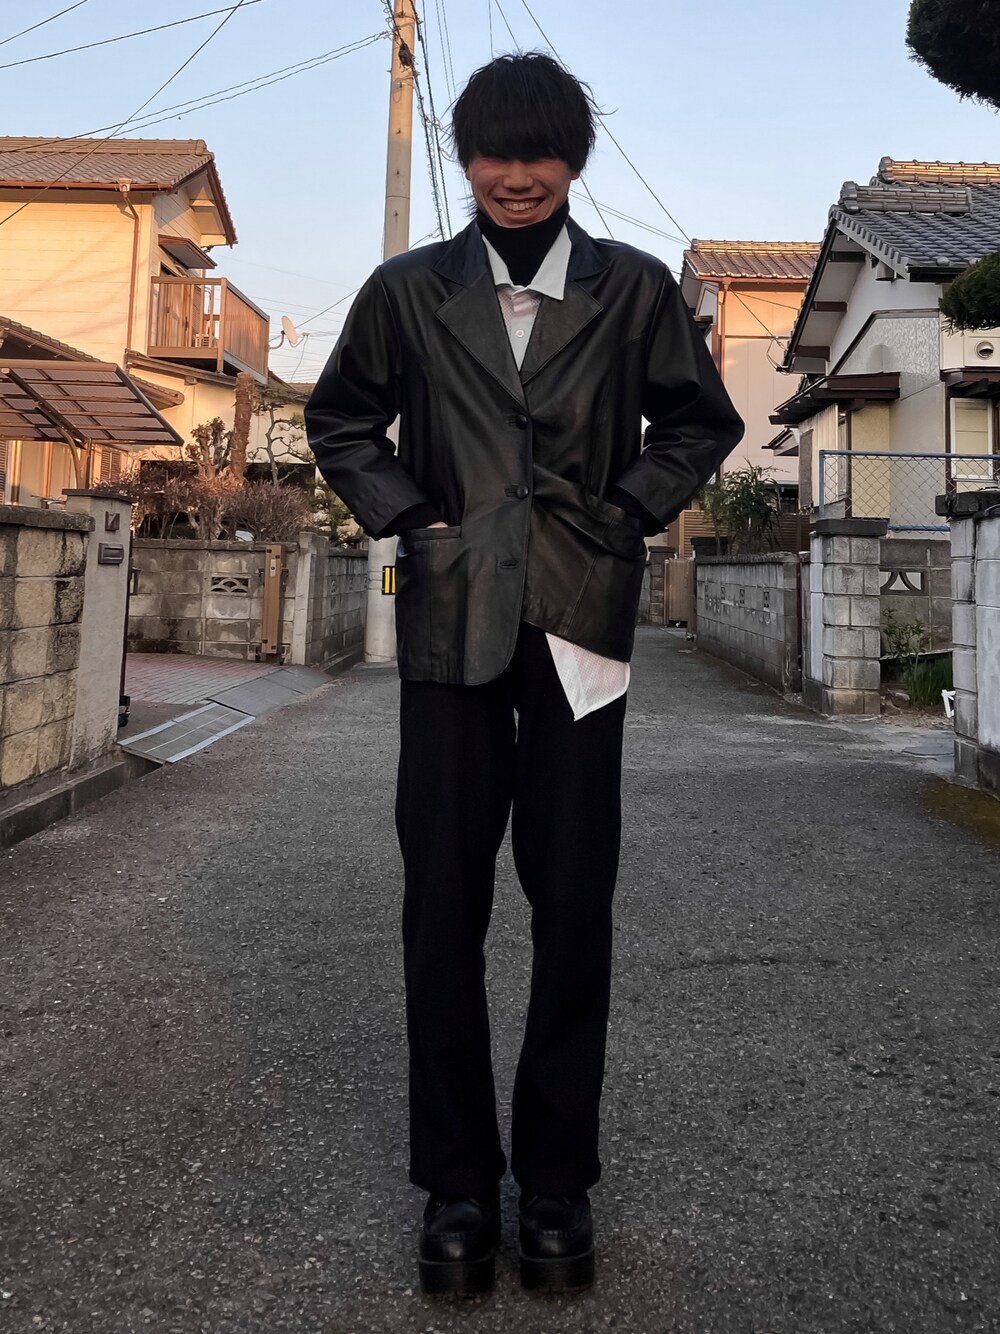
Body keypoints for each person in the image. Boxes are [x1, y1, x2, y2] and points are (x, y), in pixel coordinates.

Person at [306, 51, 744, 1297]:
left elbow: (699, 422)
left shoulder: (633, 288)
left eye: (536, 153)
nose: (514, 176)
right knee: (442, 901)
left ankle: (556, 1181)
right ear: (467, 159)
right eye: (493, 153)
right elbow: (341, 420)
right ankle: (455, 1182)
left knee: (573, 899)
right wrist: (410, 515)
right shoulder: (407, 291)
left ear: (571, 161)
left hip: (580, 623)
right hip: (451, 623)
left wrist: (625, 509)